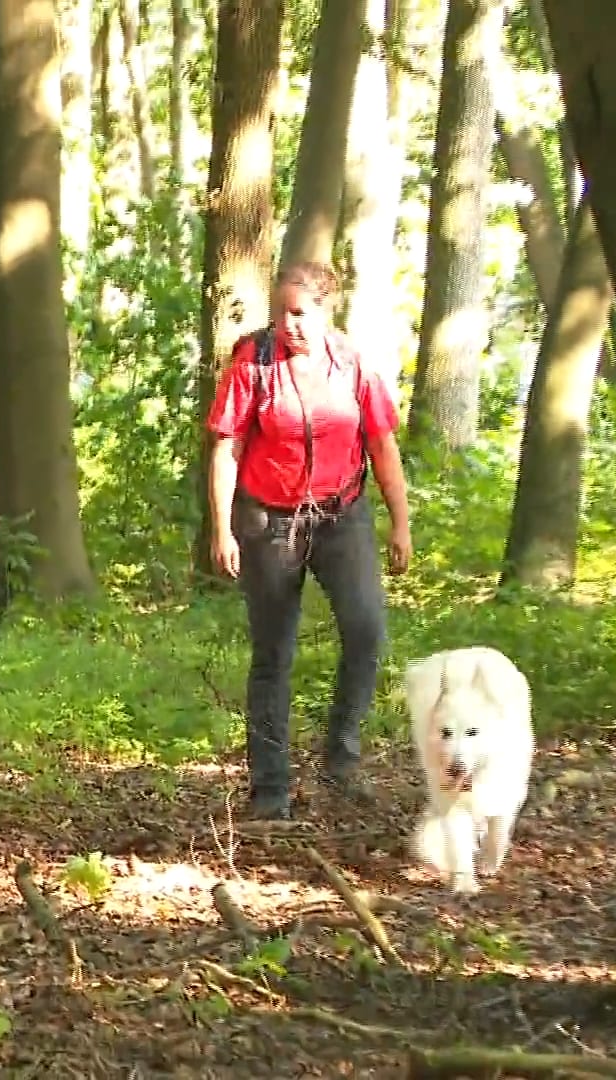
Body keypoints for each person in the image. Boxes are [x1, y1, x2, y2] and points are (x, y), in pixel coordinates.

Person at [204, 260, 414, 821]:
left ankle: (341, 757)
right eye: (279, 313)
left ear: (326, 310)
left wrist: (401, 521)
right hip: (268, 522)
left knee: (366, 628)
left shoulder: (352, 364)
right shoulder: (254, 364)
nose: (286, 324)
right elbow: (225, 447)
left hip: (341, 516)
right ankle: (269, 791)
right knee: (274, 653)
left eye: (298, 313)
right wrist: (222, 527)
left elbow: (382, 444)